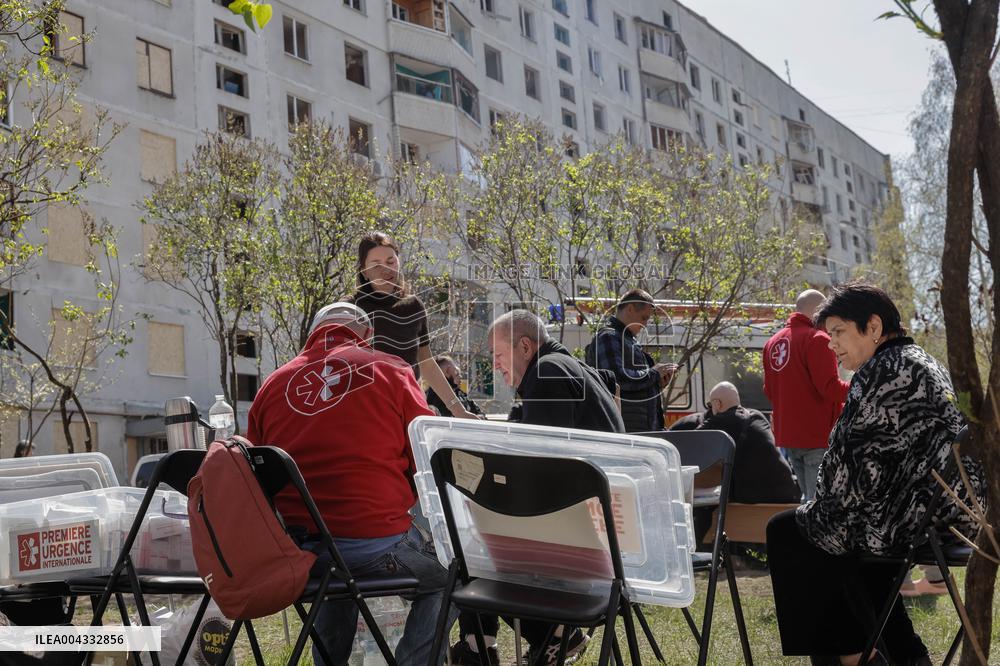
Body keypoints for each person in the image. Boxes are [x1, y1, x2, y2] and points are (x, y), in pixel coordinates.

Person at [766, 283, 986, 666]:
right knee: (850, 544)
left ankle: (853, 658)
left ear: (873, 326)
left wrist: (822, 506)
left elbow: (849, 462)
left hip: (923, 514)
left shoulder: (884, 370)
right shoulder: (916, 359)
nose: (831, 344)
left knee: (792, 531)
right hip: (949, 512)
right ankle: (905, 656)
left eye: (838, 332)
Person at [246, 302, 456, 666]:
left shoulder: (271, 386)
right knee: (455, 578)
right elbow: (428, 452)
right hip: (376, 544)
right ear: (366, 335)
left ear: (312, 333)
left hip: (302, 553)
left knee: (332, 572)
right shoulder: (391, 368)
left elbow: (258, 475)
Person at [447, 310, 624, 666]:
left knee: (473, 530)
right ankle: (501, 641)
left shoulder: (549, 374)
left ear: (525, 346)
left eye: (498, 356)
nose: (496, 366)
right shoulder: (569, 369)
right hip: (607, 532)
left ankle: (490, 643)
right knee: (484, 527)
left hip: (583, 540)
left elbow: (539, 469)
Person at [347, 231, 479, 420]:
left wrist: (459, 410)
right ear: (364, 271)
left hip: (407, 409)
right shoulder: (350, 308)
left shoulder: (414, 306)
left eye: (391, 261)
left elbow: (428, 365)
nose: (386, 269)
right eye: (376, 264)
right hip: (365, 410)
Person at [763, 288, 849, 500]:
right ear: (820, 311)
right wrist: (862, 386)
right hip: (817, 436)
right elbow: (830, 389)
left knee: (807, 500)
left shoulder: (771, 343)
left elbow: (769, 391)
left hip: (789, 438)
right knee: (818, 504)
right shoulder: (818, 339)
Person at [671, 381, 800, 504]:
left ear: (717, 403)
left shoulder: (725, 420)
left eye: (710, 406)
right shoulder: (755, 415)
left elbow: (692, 442)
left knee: (708, 508)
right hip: (787, 491)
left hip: (763, 498)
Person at [585, 288, 677, 432]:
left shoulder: (626, 340)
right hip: (626, 431)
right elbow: (617, 379)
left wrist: (657, 383)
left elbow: (634, 385)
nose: (645, 324)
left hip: (637, 430)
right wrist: (653, 374)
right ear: (630, 309)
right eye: (643, 318)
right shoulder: (609, 337)